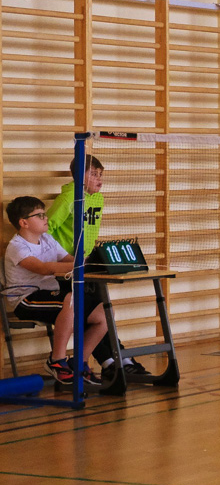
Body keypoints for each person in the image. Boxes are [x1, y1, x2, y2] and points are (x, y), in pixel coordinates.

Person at [46, 155, 148, 376]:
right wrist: (63, 257)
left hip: (87, 262)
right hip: (67, 268)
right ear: (79, 176)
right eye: (93, 174)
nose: (99, 179)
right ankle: (111, 360)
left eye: (101, 174)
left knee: (101, 311)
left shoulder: (97, 199)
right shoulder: (69, 198)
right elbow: (47, 230)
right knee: (87, 313)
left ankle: (116, 359)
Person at [4, 196, 107, 385]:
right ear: (23, 222)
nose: (46, 218)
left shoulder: (47, 239)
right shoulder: (17, 247)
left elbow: (69, 260)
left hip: (50, 296)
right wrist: (79, 267)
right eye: (40, 215)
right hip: (26, 299)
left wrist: (91, 263)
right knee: (70, 299)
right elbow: (44, 268)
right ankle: (56, 361)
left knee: (104, 314)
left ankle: (79, 362)